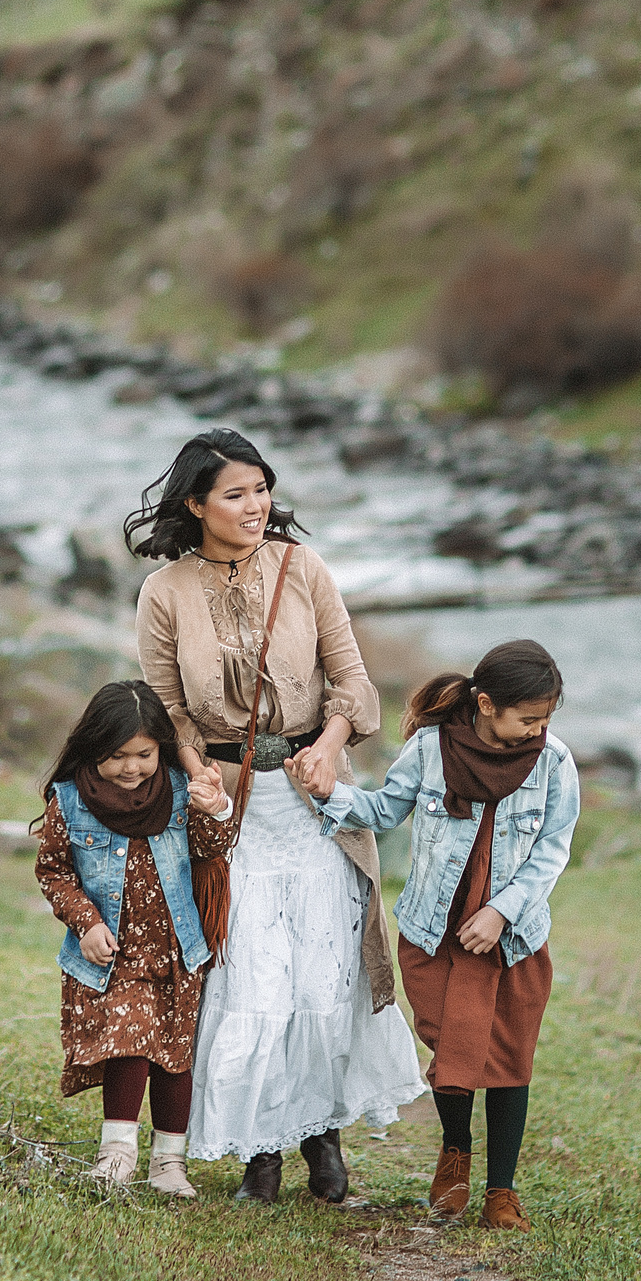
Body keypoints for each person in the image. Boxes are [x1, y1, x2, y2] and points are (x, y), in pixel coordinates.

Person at [128, 428, 425, 1203]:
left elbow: (354, 682)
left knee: (323, 972)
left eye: (261, 488)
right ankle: (262, 1152)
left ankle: (324, 1147)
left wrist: (329, 744)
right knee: (251, 970)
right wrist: (196, 775)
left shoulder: (304, 566)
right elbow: (165, 709)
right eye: (235, 493)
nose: (255, 504)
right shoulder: (164, 591)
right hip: (229, 809)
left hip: (314, 802)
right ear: (196, 503)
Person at [294, 639, 577, 1232]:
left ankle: (502, 1189)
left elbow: (552, 851)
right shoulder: (428, 749)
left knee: (508, 1056)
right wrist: (327, 795)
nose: (538, 729)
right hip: (434, 931)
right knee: (450, 1048)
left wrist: (501, 911)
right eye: (528, 718)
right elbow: (384, 811)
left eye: (546, 718)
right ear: (485, 704)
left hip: (513, 935)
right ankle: (455, 1151)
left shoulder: (554, 763)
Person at [32, 680, 234, 1195]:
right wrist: (86, 922)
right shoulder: (71, 800)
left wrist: (215, 809)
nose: (131, 767)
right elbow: (54, 871)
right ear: (92, 747)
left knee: (173, 1055)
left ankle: (169, 1162)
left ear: (160, 749)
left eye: (143, 754)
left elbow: (212, 850)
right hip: (112, 953)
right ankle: (116, 1153)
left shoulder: (177, 790)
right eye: (116, 755)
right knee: (129, 1041)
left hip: (176, 948)